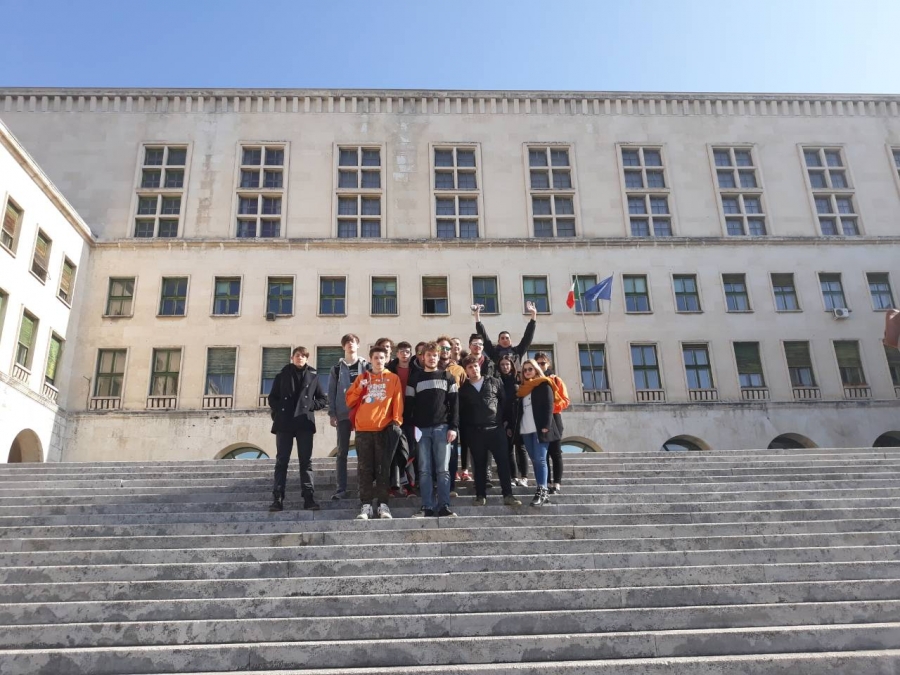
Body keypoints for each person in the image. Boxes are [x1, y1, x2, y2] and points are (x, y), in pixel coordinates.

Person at [345, 345, 404, 520]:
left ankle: (383, 504)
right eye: (375, 358)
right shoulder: (362, 377)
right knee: (365, 469)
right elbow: (349, 401)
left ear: (386, 359)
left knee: (383, 468)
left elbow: (398, 401)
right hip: (363, 430)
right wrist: (359, 388)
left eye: (382, 357)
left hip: (383, 429)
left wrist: (396, 422)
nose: (379, 361)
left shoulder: (392, 378)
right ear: (370, 360)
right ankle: (366, 506)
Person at [267, 346, 328, 512]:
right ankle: (277, 499)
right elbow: (272, 398)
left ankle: (309, 498)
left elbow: (323, 399)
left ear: (307, 359)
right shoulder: (281, 376)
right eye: (297, 355)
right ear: (292, 358)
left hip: (304, 422)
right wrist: (281, 409)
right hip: (284, 423)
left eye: (303, 356)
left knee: (306, 462)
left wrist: (309, 406)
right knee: (282, 461)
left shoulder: (313, 376)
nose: (300, 358)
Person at [459, 355, 522, 508]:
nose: (474, 369)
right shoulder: (464, 389)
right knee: (479, 465)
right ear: (466, 370)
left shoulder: (494, 382)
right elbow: (463, 413)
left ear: (479, 366)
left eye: (475, 366)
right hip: (476, 432)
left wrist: (505, 424)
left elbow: (504, 403)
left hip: (496, 429)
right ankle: (480, 496)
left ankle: (508, 495)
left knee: (503, 463)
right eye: (470, 367)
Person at [407, 342, 459, 518]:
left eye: (434, 355)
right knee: (424, 470)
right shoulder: (414, 379)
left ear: (438, 357)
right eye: (428, 355)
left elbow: (455, 405)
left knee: (443, 470)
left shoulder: (448, 377)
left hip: (442, 428)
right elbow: (408, 406)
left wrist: (453, 427)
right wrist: (411, 428)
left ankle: (444, 506)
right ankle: (427, 506)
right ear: (423, 357)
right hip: (421, 430)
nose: (431, 358)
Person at [514, 358, 562, 507]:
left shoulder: (544, 384)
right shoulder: (523, 389)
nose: (528, 372)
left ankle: (542, 489)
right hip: (526, 429)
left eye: (530, 369)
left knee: (541, 459)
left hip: (540, 428)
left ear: (536, 370)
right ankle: (542, 488)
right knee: (534, 459)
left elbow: (549, 405)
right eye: (525, 370)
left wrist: (546, 425)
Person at [327, 333, 369, 500]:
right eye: (347, 342)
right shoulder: (336, 369)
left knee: (363, 452)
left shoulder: (366, 366)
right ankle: (341, 489)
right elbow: (331, 392)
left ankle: (362, 487)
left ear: (358, 345)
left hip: (363, 413)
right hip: (343, 412)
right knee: (342, 451)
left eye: (353, 342)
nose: (350, 344)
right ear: (343, 346)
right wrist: (332, 413)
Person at [458, 333, 494, 480]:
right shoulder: (462, 364)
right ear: (470, 346)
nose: (477, 346)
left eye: (480, 344)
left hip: (487, 413)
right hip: (469, 411)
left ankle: (487, 474)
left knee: (487, 444)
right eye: (474, 344)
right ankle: (469, 471)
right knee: (470, 443)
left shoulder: (490, 363)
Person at [535, 352, 570, 495]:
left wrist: (549, 408)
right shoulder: (533, 380)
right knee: (543, 453)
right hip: (539, 419)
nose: (540, 365)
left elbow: (565, 401)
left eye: (543, 363)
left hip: (554, 418)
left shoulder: (556, 379)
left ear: (548, 364)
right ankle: (547, 482)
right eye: (538, 363)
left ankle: (557, 483)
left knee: (555, 452)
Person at [386, 341, 419, 497]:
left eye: (407, 351)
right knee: (394, 450)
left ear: (410, 354)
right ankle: (394, 485)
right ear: (396, 354)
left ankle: (410, 485)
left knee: (410, 450)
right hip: (392, 415)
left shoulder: (416, 370)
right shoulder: (389, 371)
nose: (404, 354)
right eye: (401, 351)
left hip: (412, 415)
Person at [437, 335, 465, 497]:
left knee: (452, 453)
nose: (445, 350)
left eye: (448, 348)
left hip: (452, 417)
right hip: (434, 417)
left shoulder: (459, 370)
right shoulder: (430, 367)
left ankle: (451, 486)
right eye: (442, 347)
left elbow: (465, 393)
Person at [474, 301, 538, 370]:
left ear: (511, 341)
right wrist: (477, 315)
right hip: (498, 377)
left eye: (507, 338)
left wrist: (533, 315)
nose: (505, 340)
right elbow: (483, 336)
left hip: (515, 377)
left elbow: (527, 337)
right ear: (498, 341)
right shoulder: (493, 352)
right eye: (502, 338)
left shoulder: (517, 351)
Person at [498, 355, 529, 486]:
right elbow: (501, 403)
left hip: (519, 417)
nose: (505, 367)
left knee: (521, 447)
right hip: (506, 419)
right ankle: (514, 477)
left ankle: (524, 477)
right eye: (502, 365)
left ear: (511, 365)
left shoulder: (518, 379)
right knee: (509, 449)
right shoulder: (498, 381)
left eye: (507, 364)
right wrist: (505, 422)